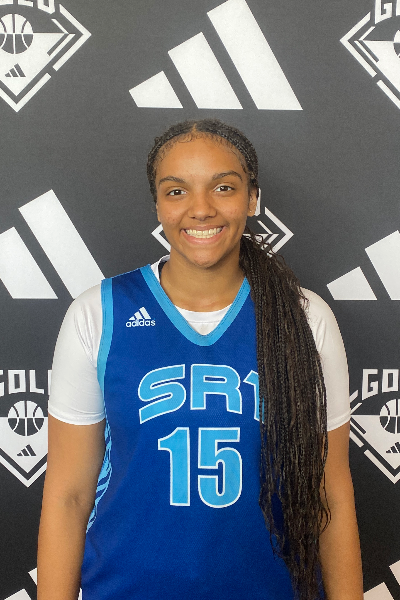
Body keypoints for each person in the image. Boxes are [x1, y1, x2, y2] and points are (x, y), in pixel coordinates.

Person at [37, 119, 363, 600]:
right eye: (176, 191)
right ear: (158, 205)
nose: (201, 208)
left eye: (223, 187)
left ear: (252, 198)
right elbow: (68, 495)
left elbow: (328, 492)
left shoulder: (305, 317)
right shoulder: (99, 314)